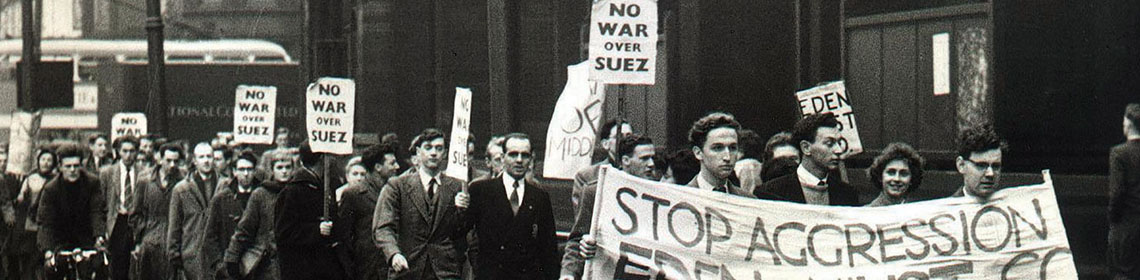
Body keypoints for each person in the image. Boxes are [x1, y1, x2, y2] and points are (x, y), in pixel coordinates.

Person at [454, 133, 557, 280]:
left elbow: (548, 249)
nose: (519, 160)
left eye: (525, 155)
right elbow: (457, 232)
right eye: (513, 154)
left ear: (531, 159)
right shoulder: (481, 190)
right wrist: (459, 209)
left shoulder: (539, 197)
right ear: (503, 158)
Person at [373, 128, 468, 280]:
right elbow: (383, 227)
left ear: (444, 153)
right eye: (428, 148)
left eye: (439, 148)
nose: (433, 153)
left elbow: (460, 233)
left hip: (444, 272)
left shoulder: (456, 187)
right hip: (407, 269)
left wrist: (462, 211)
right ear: (418, 152)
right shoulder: (398, 186)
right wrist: (394, 254)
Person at [560, 134, 656, 280]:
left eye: (652, 157)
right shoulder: (597, 192)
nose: (651, 164)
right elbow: (577, 239)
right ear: (625, 161)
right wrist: (568, 274)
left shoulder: (658, 195)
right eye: (644, 158)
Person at [273, 142, 349, 280]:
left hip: (323, 268)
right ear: (322, 159)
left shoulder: (324, 186)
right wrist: (316, 230)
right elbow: (284, 232)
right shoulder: (293, 191)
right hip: (303, 270)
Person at [756, 113, 859, 206]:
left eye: (839, 142)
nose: (839, 150)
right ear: (806, 148)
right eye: (829, 143)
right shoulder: (769, 192)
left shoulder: (848, 194)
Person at [36, 143, 108, 276]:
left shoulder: (92, 183)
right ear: (60, 167)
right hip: (60, 240)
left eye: (76, 166)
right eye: (68, 166)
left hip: (86, 238)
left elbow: (97, 211)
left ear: (81, 165)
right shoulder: (51, 189)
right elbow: (46, 223)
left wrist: (99, 236)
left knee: (100, 268)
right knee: (51, 270)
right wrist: (48, 250)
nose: (73, 170)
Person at [221, 150, 291, 280]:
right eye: (279, 167)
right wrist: (232, 257)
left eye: (288, 167)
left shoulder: (296, 193)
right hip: (267, 264)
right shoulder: (261, 194)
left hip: (291, 262)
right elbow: (245, 229)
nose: (284, 171)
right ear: (272, 170)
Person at [339, 142, 400, 280]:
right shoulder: (353, 195)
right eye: (392, 163)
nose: (397, 167)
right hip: (365, 270)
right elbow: (344, 238)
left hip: (392, 267)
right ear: (378, 167)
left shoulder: (397, 192)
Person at [131, 143, 185, 280]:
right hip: (149, 243)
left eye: (175, 161)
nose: (172, 165)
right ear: (160, 160)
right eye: (168, 160)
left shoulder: (183, 182)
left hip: (173, 244)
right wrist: (140, 239)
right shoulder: (146, 181)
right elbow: (135, 214)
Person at [203, 152, 260, 280]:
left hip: (258, 269)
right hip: (230, 269)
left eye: (249, 169)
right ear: (234, 171)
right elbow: (210, 237)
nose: (246, 174)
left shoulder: (262, 197)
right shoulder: (221, 199)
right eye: (241, 169)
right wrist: (220, 266)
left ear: (255, 171)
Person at [168, 142, 219, 280]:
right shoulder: (182, 189)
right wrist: (174, 255)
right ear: (195, 161)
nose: (206, 160)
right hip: (192, 253)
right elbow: (175, 226)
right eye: (201, 157)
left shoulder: (223, 186)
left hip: (218, 255)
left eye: (209, 156)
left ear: (214, 159)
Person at [8, 148, 56, 280]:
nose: (46, 163)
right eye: (43, 159)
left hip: (48, 225)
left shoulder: (56, 180)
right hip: (30, 225)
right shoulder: (31, 178)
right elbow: (21, 198)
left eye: (49, 160)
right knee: (28, 261)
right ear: (38, 161)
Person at [99, 135, 140, 280]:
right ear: (119, 152)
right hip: (117, 222)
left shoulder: (143, 173)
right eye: (125, 151)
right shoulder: (107, 173)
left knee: (136, 267)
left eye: (132, 151)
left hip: (136, 222)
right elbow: (101, 203)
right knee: (117, 268)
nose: (128, 155)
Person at [686, 112, 753, 197]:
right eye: (718, 148)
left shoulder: (748, 200)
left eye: (732, 148)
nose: (727, 157)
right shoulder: (681, 198)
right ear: (698, 153)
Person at [571, 119, 632, 211]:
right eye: (619, 137)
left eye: (629, 137)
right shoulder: (587, 176)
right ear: (605, 144)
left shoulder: (642, 171)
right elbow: (583, 215)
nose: (625, 141)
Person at [1109, 103, 1140, 280]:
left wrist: (1113, 219)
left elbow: (1117, 193)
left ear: (1127, 124)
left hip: (1126, 228)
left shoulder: (1119, 154)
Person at [951, 124, 1006, 203]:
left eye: (996, 166)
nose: (990, 173)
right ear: (961, 165)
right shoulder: (944, 211)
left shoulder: (1013, 207)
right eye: (981, 165)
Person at [864, 143, 924, 207]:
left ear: (911, 179)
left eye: (903, 173)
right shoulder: (866, 213)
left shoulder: (917, 214)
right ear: (880, 177)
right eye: (891, 172)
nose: (897, 179)